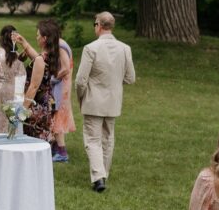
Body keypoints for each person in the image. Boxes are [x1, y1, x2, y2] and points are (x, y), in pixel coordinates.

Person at [75, 11, 135, 192]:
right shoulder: (125, 48)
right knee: (108, 139)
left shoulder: (90, 48)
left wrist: (81, 96)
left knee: (93, 140)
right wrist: (114, 83)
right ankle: (103, 174)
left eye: (95, 24)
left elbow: (80, 80)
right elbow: (130, 77)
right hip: (113, 101)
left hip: (93, 101)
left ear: (99, 26)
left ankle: (99, 177)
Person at [15, 19, 66, 145]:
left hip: (37, 106)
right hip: (47, 103)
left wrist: (22, 110)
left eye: (38, 35)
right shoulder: (52, 55)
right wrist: (24, 44)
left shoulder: (40, 59)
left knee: (32, 142)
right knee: (42, 142)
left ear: (44, 38)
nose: (36, 38)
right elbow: (37, 58)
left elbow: (33, 87)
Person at [0, 25, 27, 133]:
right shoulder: (17, 56)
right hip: (11, 92)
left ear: (1, 38)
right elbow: (21, 77)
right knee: (8, 121)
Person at [50, 23, 76, 163]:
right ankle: (55, 147)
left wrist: (53, 79)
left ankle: (62, 152)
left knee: (57, 115)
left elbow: (65, 68)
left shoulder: (60, 46)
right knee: (55, 114)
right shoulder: (60, 44)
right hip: (63, 85)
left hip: (62, 86)